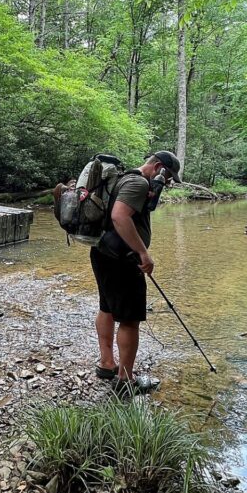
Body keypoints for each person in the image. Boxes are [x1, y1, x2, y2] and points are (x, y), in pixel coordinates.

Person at [90, 150, 181, 396]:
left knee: (107, 308)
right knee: (130, 320)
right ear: (158, 167)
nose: (168, 183)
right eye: (168, 177)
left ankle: (106, 364)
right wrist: (143, 253)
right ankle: (125, 380)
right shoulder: (138, 183)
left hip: (103, 251)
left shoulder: (124, 178)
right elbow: (119, 216)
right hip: (123, 258)